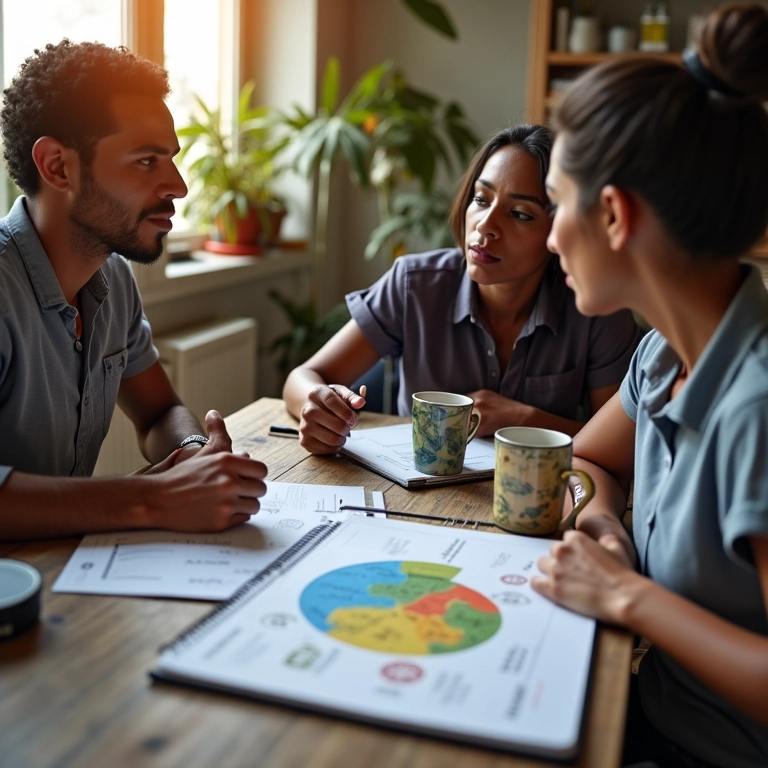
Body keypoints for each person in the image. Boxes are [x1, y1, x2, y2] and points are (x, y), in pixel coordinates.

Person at [531, 4, 768, 767]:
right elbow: (590, 459)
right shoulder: (664, 354)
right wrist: (603, 527)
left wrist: (627, 596)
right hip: (643, 717)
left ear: (611, 214)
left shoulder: (757, 409)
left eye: (556, 201)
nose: (549, 233)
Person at [0, 40, 267, 541]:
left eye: (171, 159)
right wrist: (154, 499)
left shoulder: (113, 277)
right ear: (57, 166)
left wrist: (191, 452)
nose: (179, 186)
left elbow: (158, 413)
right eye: (146, 162)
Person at [283, 124, 643, 454]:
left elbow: (624, 444)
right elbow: (302, 379)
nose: (485, 227)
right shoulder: (415, 284)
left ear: (560, 228)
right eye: (482, 199)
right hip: (414, 492)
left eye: (520, 214)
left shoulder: (595, 308)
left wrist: (523, 417)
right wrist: (316, 404)